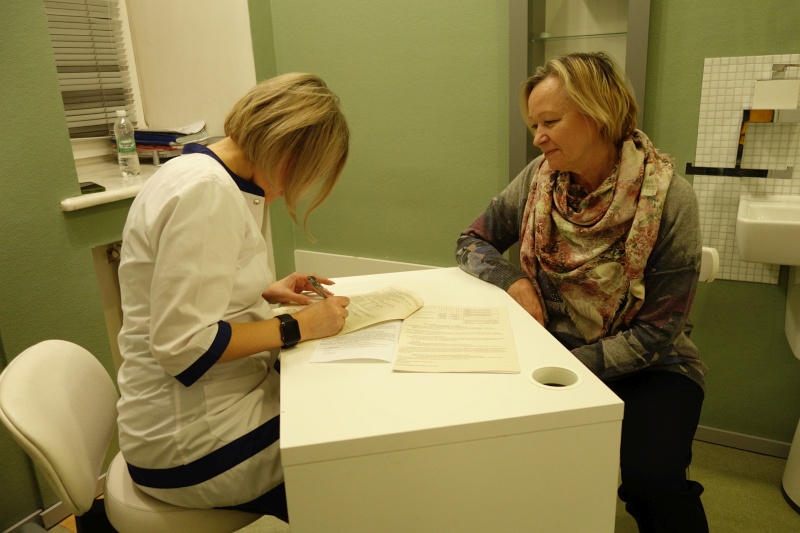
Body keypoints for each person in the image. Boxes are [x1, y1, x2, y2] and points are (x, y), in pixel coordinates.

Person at [455, 52, 709, 532]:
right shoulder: (539, 180)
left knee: (652, 482)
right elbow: (470, 242)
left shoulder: (670, 199)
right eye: (534, 124)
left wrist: (565, 368)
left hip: (653, 366)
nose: (537, 137)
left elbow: (658, 333)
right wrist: (514, 280)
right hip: (553, 351)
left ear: (600, 115)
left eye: (550, 122)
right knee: (497, 455)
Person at [115, 73, 351, 522]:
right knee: (353, 445)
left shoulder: (198, 172)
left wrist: (261, 292)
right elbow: (183, 345)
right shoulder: (208, 192)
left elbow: (188, 292)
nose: (295, 190)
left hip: (198, 411)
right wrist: (297, 326)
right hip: (189, 444)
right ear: (286, 149)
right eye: (305, 173)